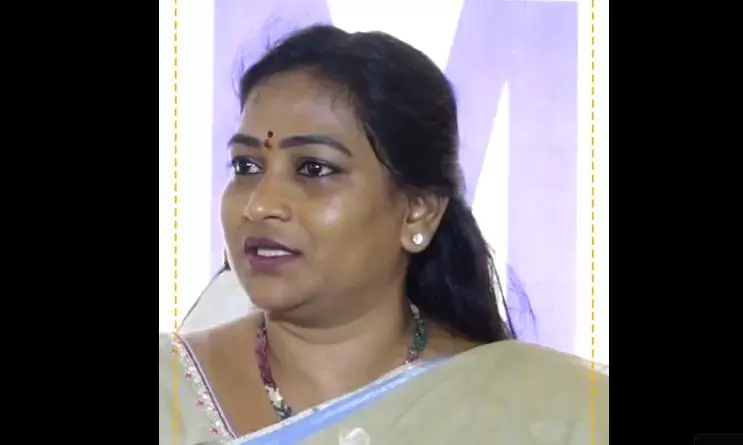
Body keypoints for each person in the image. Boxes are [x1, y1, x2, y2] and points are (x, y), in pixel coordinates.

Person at [159, 24, 608, 445]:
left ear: (418, 212)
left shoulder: (559, 414)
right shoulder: (170, 393)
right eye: (246, 166)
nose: (260, 204)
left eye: (314, 169)